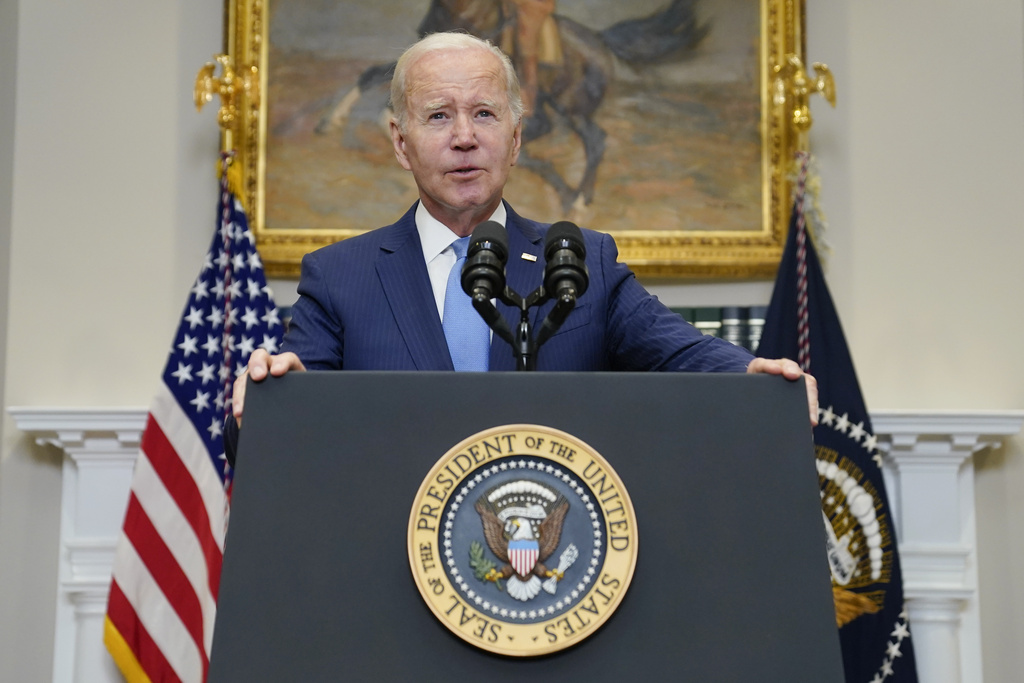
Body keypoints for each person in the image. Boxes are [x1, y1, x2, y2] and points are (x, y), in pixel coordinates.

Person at [231, 31, 816, 438]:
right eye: (439, 115)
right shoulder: (340, 278)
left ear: (514, 139)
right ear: (400, 141)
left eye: (484, 114)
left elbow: (682, 352)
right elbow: (284, 428)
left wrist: (752, 379)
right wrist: (277, 397)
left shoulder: (582, 262)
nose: (464, 137)